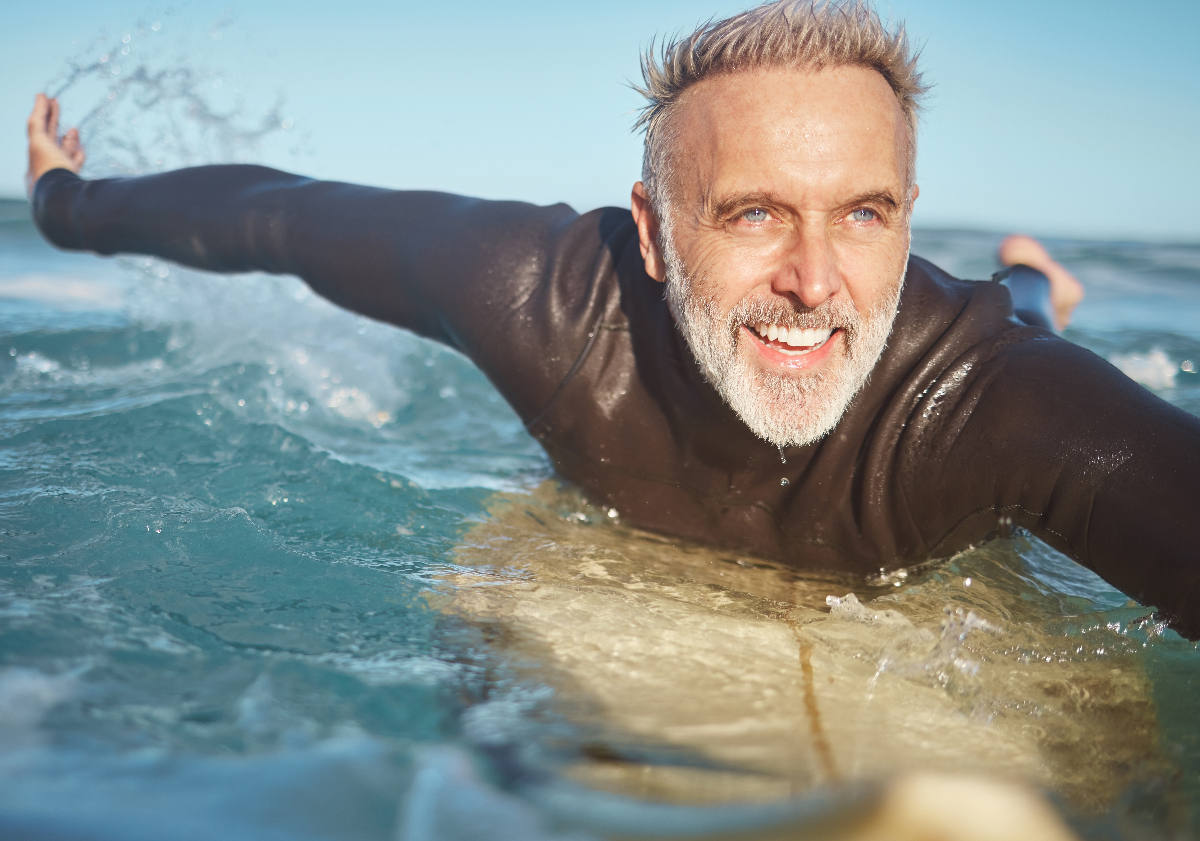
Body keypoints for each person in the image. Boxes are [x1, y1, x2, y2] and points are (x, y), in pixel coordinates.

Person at [24, 0, 1198, 638]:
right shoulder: (541, 297)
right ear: (649, 227)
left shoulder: (995, 405)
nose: (814, 278)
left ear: (907, 218)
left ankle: (1035, 276)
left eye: (863, 213)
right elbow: (275, 221)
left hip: (1015, 344)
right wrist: (63, 203)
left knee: (1035, 321)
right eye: (750, 214)